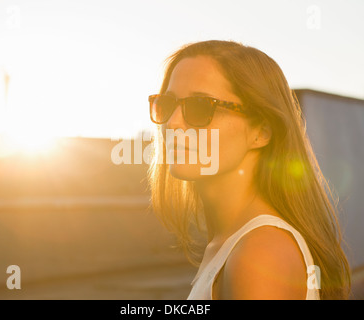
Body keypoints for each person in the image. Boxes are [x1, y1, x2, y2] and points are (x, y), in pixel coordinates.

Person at [147, 40, 351, 300]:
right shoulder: (233, 242)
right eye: (167, 103)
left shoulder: (260, 253)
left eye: (200, 106)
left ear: (262, 131)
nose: (172, 122)